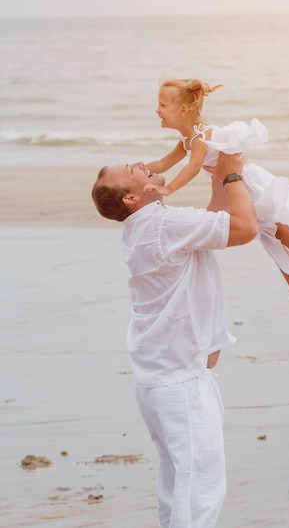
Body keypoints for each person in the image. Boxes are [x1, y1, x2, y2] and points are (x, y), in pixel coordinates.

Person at [91, 152, 258, 528]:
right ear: (132, 198)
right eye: (132, 170)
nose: (140, 163)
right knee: (200, 489)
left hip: (160, 381)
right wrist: (234, 178)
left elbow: (212, 222)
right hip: (181, 383)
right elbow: (245, 227)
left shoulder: (146, 228)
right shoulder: (166, 225)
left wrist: (216, 176)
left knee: (177, 486)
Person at [146, 77, 289, 319]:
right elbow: (163, 163)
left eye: (162, 105)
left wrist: (169, 189)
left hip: (245, 183)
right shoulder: (187, 139)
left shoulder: (200, 136)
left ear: (182, 110)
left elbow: (192, 168)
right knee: (271, 234)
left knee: (281, 230)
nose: (157, 110)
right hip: (230, 186)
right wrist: (139, 168)